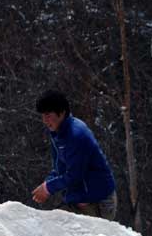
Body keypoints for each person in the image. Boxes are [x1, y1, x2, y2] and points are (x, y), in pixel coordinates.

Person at [32, 90, 117, 220]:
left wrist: (48, 188)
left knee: (57, 228)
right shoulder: (57, 132)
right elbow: (59, 168)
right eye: (43, 115)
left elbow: (75, 175)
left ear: (61, 113)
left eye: (48, 115)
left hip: (99, 203)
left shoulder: (76, 135)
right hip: (80, 199)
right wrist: (46, 185)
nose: (44, 120)